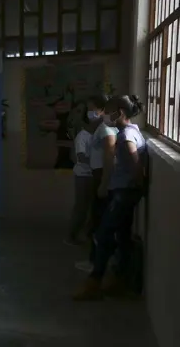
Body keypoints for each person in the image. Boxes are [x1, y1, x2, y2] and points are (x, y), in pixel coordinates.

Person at [74, 95, 147, 300]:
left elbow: (134, 163)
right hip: (125, 192)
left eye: (108, 110)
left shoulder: (126, 136)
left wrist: (136, 183)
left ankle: (94, 282)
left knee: (104, 234)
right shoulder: (133, 131)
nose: (105, 114)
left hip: (123, 193)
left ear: (120, 113)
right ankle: (119, 281)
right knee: (122, 236)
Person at [74, 94, 116, 272]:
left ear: (102, 109)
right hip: (96, 174)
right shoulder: (98, 129)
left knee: (98, 221)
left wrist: (103, 183)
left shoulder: (106, 129)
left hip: (100, 176)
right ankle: (95, 260)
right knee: (96, 219)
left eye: (92, 109)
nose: (90, 113)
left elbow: (109, 157)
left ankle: (96, 263)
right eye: (88, 109)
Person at [65, 110, 94, 246]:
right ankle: (71, 236)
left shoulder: (95, 135)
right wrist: (99, 162)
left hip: (91, 174)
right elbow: (81, 157)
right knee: (81, 207)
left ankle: (84, 235)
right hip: (83, 175)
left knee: (88, 207)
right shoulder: (83, 136)